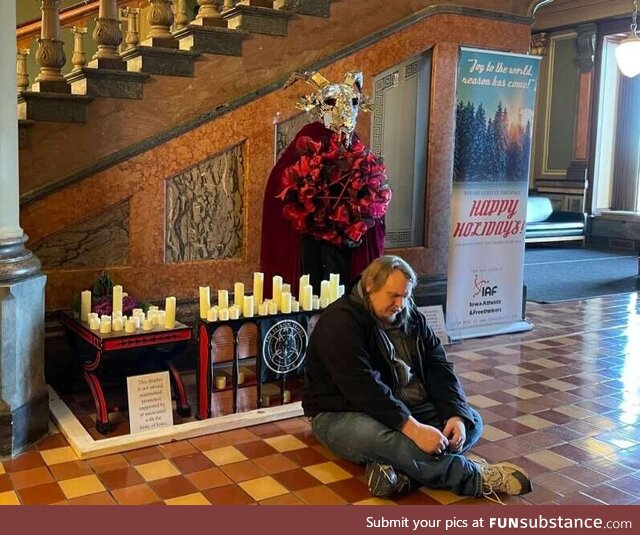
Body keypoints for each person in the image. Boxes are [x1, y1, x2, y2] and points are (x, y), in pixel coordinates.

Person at [302, 255, 532, 501]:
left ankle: (399, 474)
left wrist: (454, 413)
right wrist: (413, 429)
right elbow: (364, 389)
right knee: (389, 439)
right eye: (394, 295)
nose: (401, 304)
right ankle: (474, 478)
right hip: (340, 413)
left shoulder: (411, 316)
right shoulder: (340, 322)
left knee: (471, 421)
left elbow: (438, 365)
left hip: (402, 406)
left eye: (406, 296)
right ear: (369, 286)